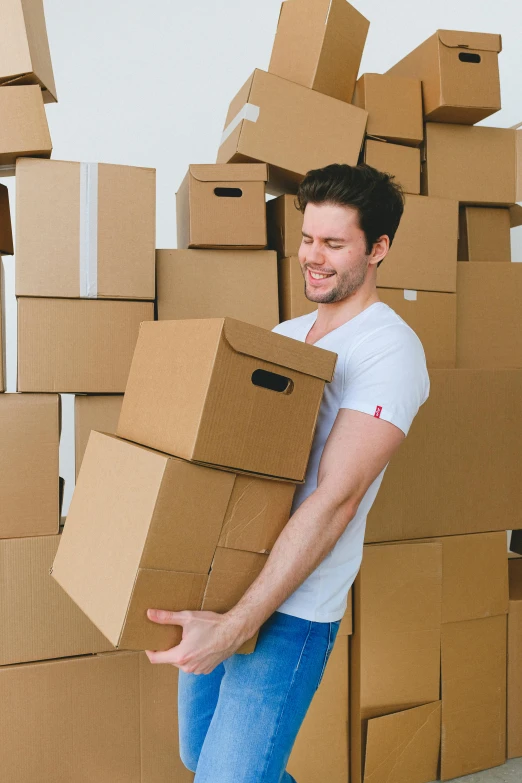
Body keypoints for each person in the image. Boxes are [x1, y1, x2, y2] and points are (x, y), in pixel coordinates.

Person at [145, 163, 430, 782]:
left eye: (333, 244)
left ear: (379, 249)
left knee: (229, 778)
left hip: (294, 605)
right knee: (200, 757)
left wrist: (238, 624)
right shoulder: (288, 335)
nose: (312, 257)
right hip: (225, 578)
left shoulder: (390, 349)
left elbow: (337, 498)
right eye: (308, 239)